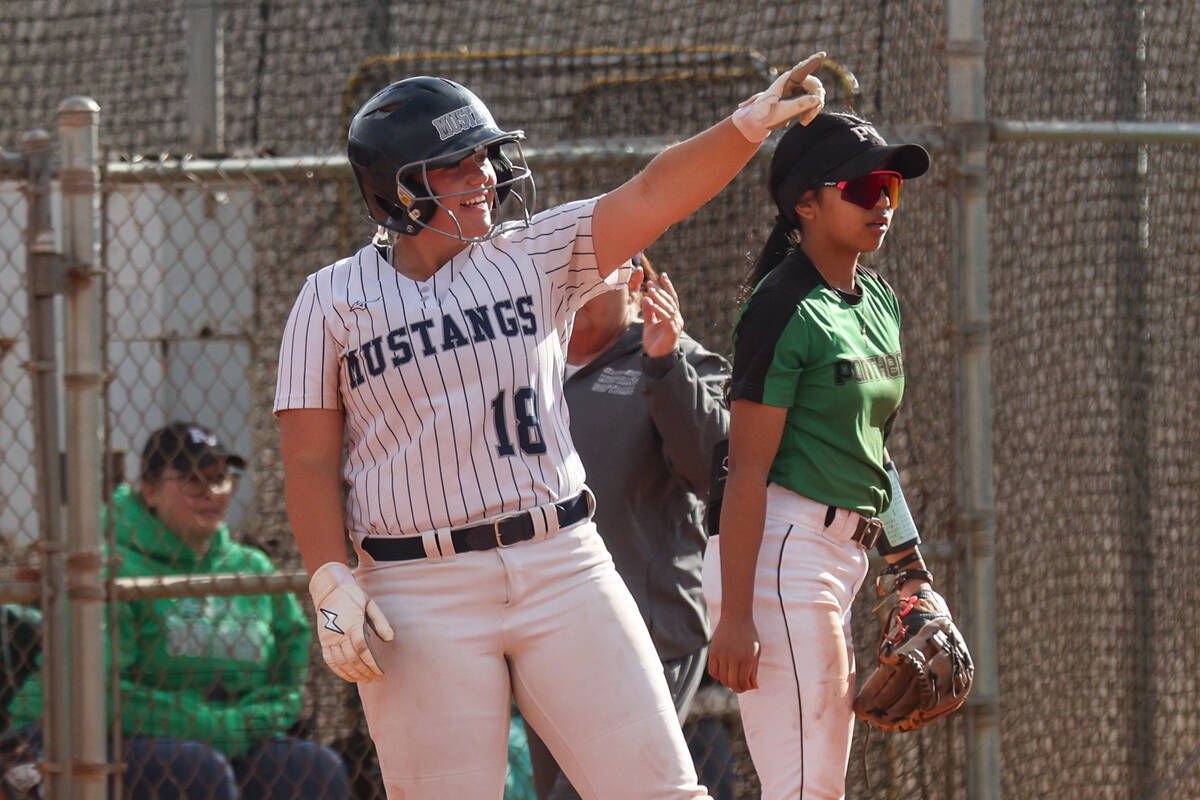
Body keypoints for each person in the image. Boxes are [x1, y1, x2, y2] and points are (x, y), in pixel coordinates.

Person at [274, 55, 826, 800]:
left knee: (663, 792)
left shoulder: (533, 252)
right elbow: (308, 460)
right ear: (399, 189)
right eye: (457, 166)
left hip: (561, 562)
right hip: (415, 585)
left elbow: (655, 191)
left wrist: (745, 126)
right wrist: (328, 576)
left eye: (485, 159)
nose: (485, 178)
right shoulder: (330, 299)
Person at [702, 110, 938, 800]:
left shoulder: (878, 301)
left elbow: (872, 452)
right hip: (780, 554)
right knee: (807, 786)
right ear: (805, 203)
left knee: (815, 782)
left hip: (838, 558)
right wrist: (737, 615)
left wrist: (911, 571)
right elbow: (745, 469)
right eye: (864, 188)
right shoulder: (781, 307)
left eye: (891, 186)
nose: (883, 203)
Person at [5, 422, 352, 800]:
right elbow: (95, 693)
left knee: (313, 769)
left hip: (219, 736)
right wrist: (211, 725)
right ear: (150, 491)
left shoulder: (252, 567)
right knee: (195, 770)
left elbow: (289, 675)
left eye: (220, 478)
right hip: (78, 736)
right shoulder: (110, 567)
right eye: (192, 480)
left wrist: (252, 721)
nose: (212, 493)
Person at [523, 251, 731, 800]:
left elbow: (716, 469)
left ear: (635, 281)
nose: (574, 286)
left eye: (592, 271)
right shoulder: (523, 366)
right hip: (546, 642)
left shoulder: (677, 360)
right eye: (564, 273)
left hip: (647, 637)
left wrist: (664, 364)